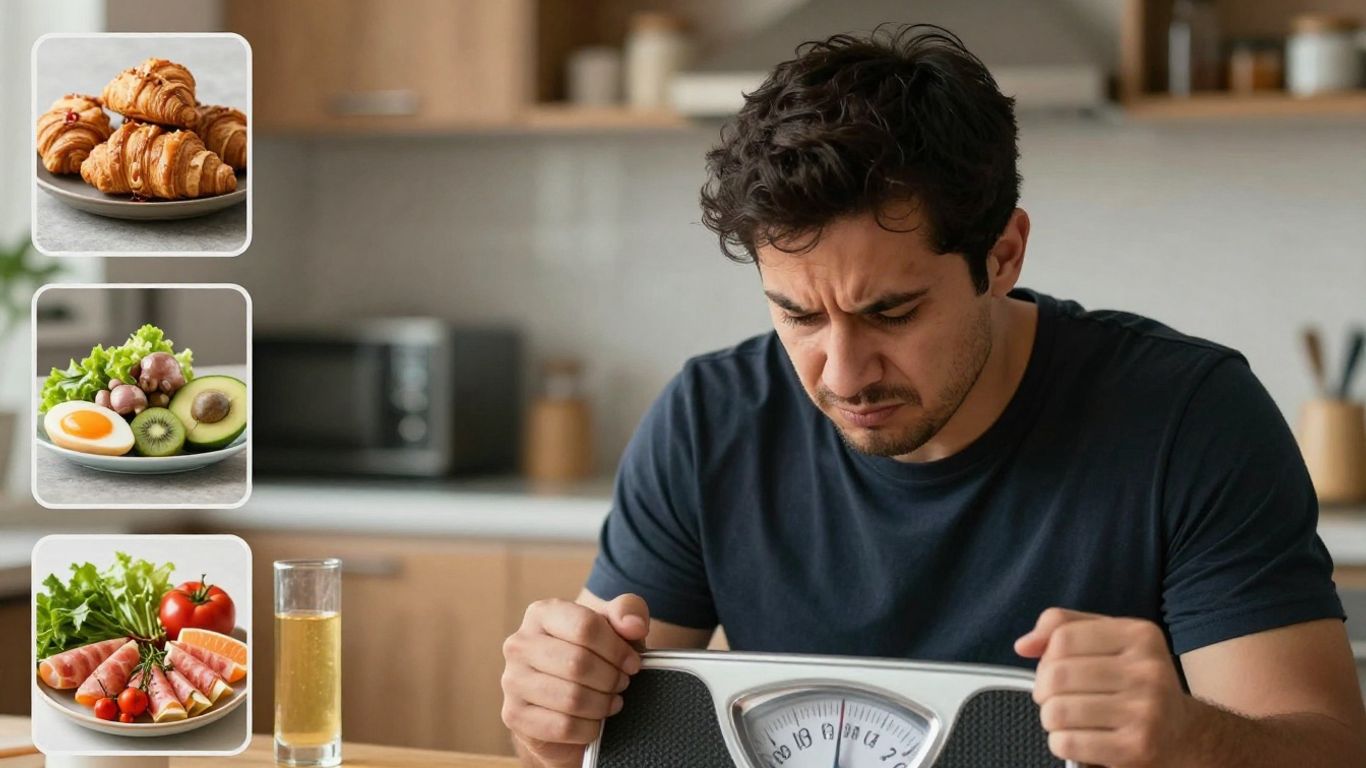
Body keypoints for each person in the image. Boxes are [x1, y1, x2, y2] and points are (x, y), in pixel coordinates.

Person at [500, 25, 1365, 767]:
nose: (842, 375)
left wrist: (1188, 739)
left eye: (892, 311)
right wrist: (553, 705)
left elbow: (1331, 747)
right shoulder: (707, 419)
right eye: (797, 314)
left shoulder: (1191, 417)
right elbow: (589, 741)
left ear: (1003, 255)